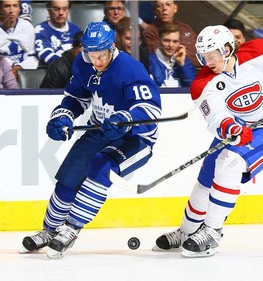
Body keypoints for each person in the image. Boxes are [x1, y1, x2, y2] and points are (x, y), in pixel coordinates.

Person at [153, 25, 263, 258]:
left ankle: (212, 232)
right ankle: (187, 231)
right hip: (236, 130)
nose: (206, 61)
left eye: (211, 55)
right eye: (202, 56)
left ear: (226, 49)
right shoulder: (202, 83)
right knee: (206, 179)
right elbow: (215, 115)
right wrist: (229, 127)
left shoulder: (257, 52)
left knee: (230, 164)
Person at [19, 21, 161, 259]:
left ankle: (71, 229)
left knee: (99, 167)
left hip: (135, 138)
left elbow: (151, 110)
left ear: (112, 47)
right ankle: (49, 230)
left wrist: (124, 118)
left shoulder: (130, 69)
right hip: (100, 130)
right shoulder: (82, 63)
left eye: (102, 55)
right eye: (91, 55)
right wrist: (63, 115)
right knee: (70, 174)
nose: (97, 61)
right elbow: (76, 97)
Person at [142, 0, 198, 69]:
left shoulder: (185, 28)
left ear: (175, 8)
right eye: (159, 6)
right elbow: (161, 60)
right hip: (178, 72)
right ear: (155, 10)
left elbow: (200, 49)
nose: (164, 8)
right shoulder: (151, 31)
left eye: (168, 4)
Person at [0, 0, 38, 79]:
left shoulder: (27, 26)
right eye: (7, 6)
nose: (11, 10)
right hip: (0, 73)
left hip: (25, 71)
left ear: (19, 9)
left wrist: (19, 67)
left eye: (15, 6)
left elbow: (32, 56)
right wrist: (9, 68)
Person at [34, 0, 81, 67]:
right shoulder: (41, 29)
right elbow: (45, 54)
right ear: (48, 9)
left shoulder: (75, 29)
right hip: (55, 72)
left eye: (65, 9)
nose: (61, 13)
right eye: (56, 9)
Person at [148, 23, 195, 87]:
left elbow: (193, 87)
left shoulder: (185, 61)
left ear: (179, 43)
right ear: (159, 40)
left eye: (175, 41)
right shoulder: (149, 62)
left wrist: (182, 65)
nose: (171, 45)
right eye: (167, 41)